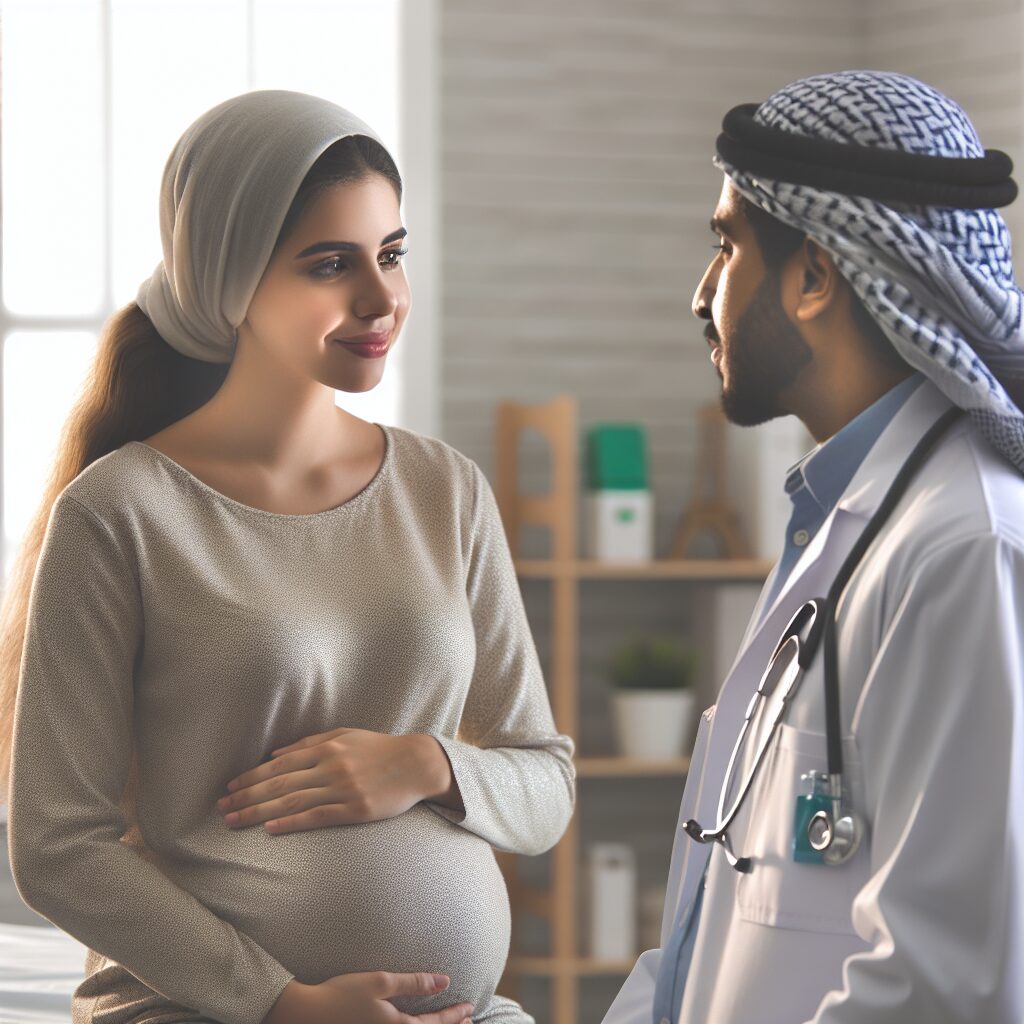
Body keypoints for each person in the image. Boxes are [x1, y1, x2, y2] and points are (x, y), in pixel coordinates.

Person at [0, 90, 576, 1024]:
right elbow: (59, 847)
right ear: (230, 278)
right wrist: (281, 1003)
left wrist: (427, 764)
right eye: (329, 264)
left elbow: (544, 784)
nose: (381, 297)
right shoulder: (119, 513)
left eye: (391, 255)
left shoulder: (447, 490)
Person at [601, 70, 1024, 1024]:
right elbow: (715, 905)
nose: (702, 293)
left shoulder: (963, 546)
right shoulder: (841, 519)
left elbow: (942, 986)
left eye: (726, 245)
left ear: (814, 275)